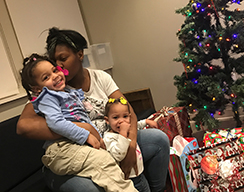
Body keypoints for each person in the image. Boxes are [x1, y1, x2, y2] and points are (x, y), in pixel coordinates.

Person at [16, 27, 170, 192]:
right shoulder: (52, 90)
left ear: (80, 54)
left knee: (159, 140)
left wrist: (130, 147)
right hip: (71, 154)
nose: (59, 67)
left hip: (106, 143)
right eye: (55, 62)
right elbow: (23, 126)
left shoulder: (99, 78)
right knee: (89, 188)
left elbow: (127, 110)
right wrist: (85, 129)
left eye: (63, 59)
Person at [20, 53, 137, 192]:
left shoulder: (67, 93)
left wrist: (97, 137)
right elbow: (56, 123)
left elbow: (82, 118)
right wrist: (86, 135)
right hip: (61, 149)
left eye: (54, 70)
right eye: (46, 77)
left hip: (76, 145)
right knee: (103, 162)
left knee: (108, 161)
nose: (55, 75)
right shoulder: (47, 98)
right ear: (37, 89)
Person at [103, 97, 158, 192]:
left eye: (125, 116)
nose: (121, 121)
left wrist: (146, 122)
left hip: (140, 175)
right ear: (107, 120)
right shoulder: (109, 137)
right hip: (129, 180)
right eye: (116, 117)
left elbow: (137, 125)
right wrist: (123, 134)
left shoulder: (128, 128)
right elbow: (118, 155)